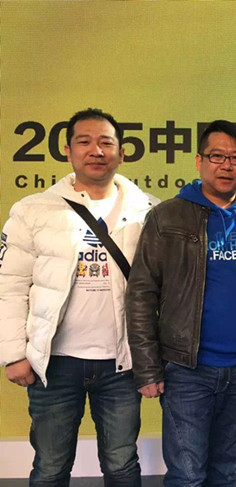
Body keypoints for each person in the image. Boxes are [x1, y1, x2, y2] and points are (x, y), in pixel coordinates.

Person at [0, 108, 155, 486]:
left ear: (122, 153)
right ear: (68, 151)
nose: (96, 150)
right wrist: (13, 354)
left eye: (106, 143)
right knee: (50, 467)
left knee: (122, 465)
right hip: (54, 364)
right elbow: (10, 284)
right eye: (84, 142)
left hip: (122, 363)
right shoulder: (32, 210)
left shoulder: (149, 210)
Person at [125, 119, 236, 486]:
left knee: (224, 472)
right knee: (187, 474)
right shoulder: (166, 217)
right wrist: (147, 368)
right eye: (217, 156)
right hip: (186, 370)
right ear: (199, 161)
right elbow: (141, 294)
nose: (226, 165)